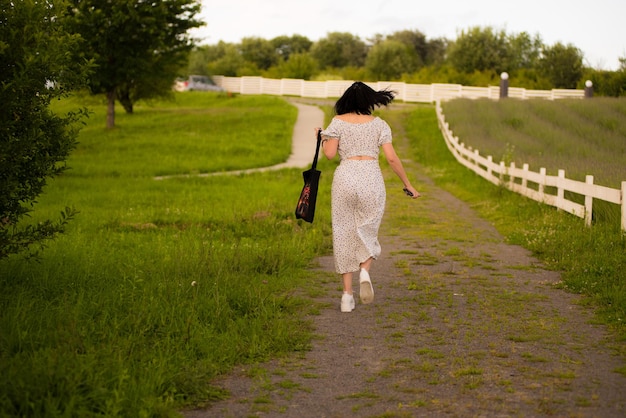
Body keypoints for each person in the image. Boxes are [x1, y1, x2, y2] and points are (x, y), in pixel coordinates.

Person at [318, 81, 420, 313]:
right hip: (371, 178)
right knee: (369, 228)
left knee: (344, 232)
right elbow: (392, 159)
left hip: (345, 177)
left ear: (346, 100)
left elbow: (331, 155)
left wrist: (323, 138)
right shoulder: (379, 125)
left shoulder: (337, 122)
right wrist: (408, 185)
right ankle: (365, 270)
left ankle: (346, 297)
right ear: (369, 101)